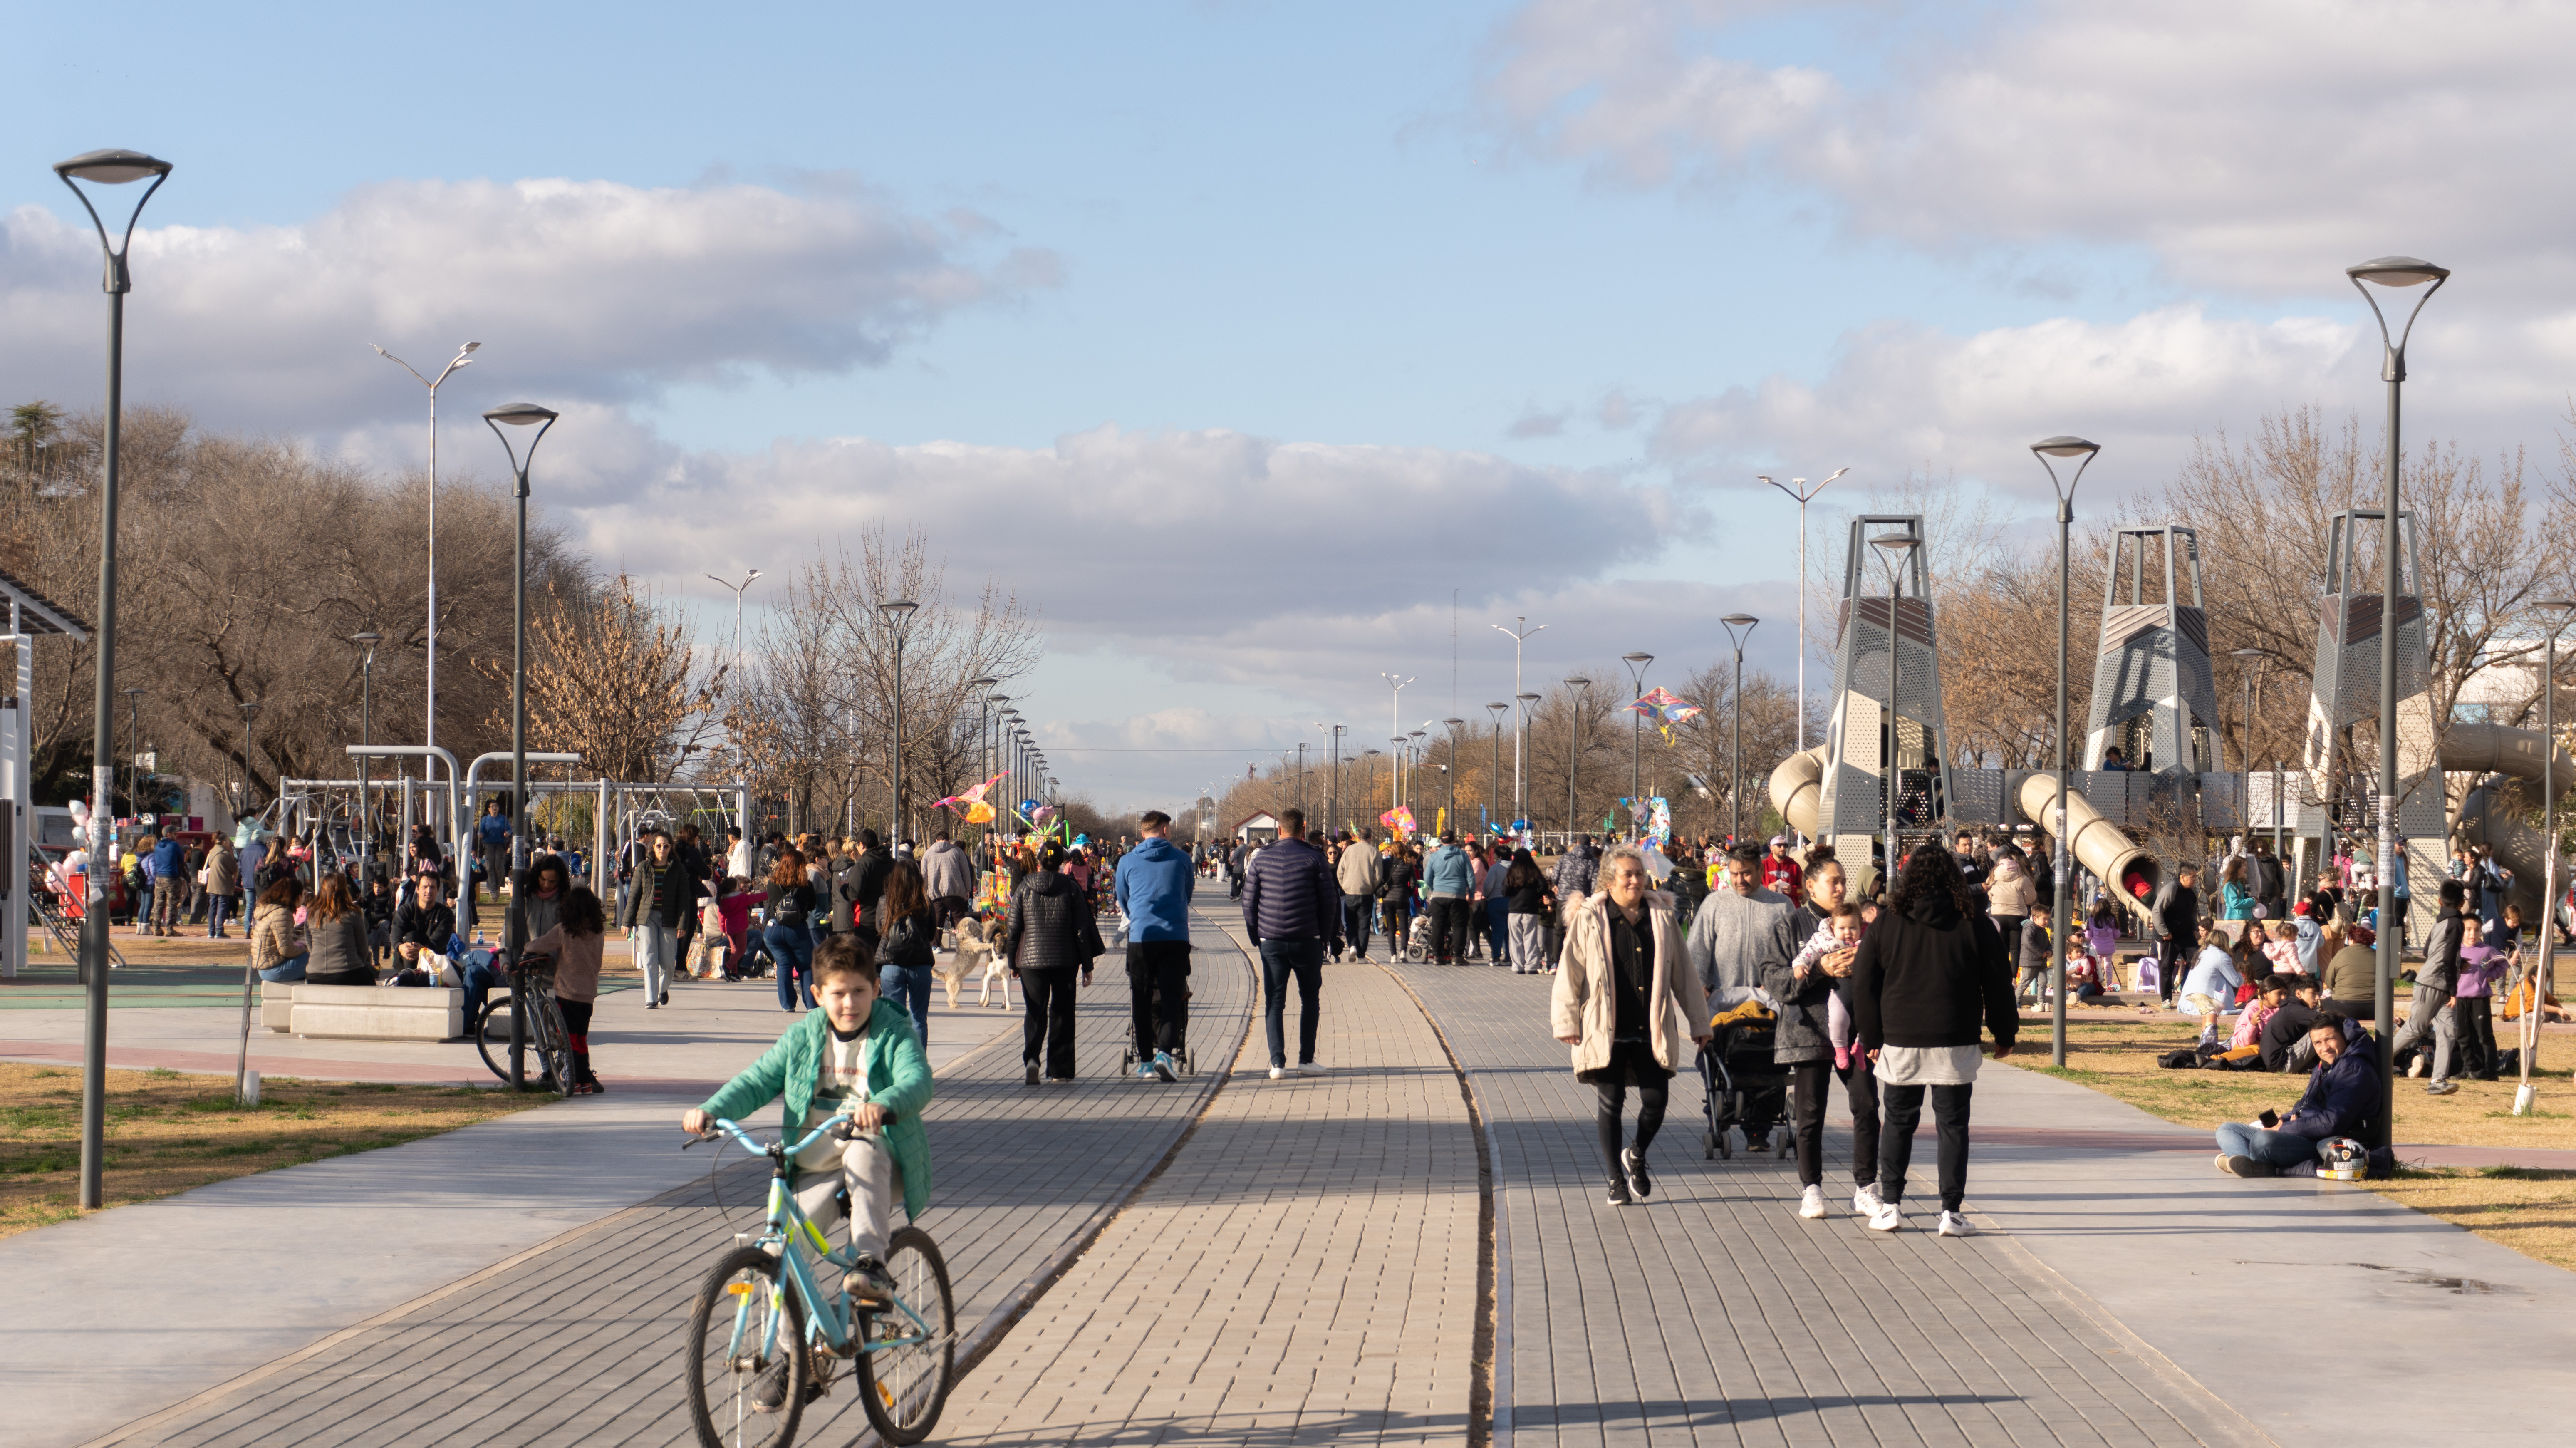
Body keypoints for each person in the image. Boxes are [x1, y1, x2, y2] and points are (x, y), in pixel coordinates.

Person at [684, 932, 934, 1408]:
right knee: (778, 1250)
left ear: (875, 989)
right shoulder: (803, 1037)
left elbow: (918, 1079)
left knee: (863, 1150)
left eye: (859, 991)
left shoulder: (892, 1030)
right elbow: (758, 1079)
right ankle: (802, 1359)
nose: (849, 1003)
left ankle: (872, 1266)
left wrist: (883, 1104)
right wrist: (713, 1110)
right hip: (817, 1165)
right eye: (838, 993)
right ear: (817, 995)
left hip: (879, 1158)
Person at [1849, 839, 2016, 1236]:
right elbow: (1998, 982)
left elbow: (1864, 983)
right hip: (1955, 1036)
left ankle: (1891, 1206)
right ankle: (1951, 1213)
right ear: (1954, 879)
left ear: (1909, 879)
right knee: (1953, 1126)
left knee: (1898, 1122)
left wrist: (1871, 1037)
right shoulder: (1974, 922)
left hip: (1900, 1037)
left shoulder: (1888, 922)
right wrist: (2004, 1032)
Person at [1553, 845, 1712, 1206]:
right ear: (1609, 882)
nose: (1636, 881)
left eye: (1639, 874)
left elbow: (1684, 974)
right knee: (1611, 1101)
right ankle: (1615, 1180)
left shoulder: (1662, 917)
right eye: (1628, 875)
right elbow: (1570, 971)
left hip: (1650, 1026)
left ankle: (1636, 1154)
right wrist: (1566, 1021)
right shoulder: (1590, 917)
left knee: (1656, 1101)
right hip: (1604, 1027)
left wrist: (1700, 1022)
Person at [2214, 1014, 2375, 1177]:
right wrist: (2285, 1118)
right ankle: (2253, 1165)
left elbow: (2332, 1123)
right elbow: (2306, 1104)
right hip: (2305, 1133)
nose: (2325, 1048)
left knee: (2263, 1141)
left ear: (2344, 1037)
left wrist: (2286, 1128)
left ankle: (2250, 1162)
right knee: (2227, 1130)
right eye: (2318, 1043)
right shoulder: (2325, 1066)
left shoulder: (2353, 1069)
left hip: (2326, 1143)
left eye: (2330, 1040)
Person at [1243, 808, 1336, 1080]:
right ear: (1304, 829)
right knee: (1310, 998)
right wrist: (1324, 937)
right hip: (1307, 939)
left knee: (1274, 1001)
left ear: (1279, 829)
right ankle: (1306, 1060)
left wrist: (1257, 937)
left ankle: (1277, 1064)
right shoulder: (1316, 858)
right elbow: (1329, 902)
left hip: (1271, 940)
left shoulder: (1261, 858)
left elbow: (1249, 903)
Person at [1001, 843, 1103, 1084]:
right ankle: (1060, 1069)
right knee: (1063, 1012)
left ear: (1039, 862)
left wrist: (1013, 962)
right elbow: (1081, 929)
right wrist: (1087, 966)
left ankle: (1032, 1060)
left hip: (1031, 960)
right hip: (1065, 960)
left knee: (1035, 1011)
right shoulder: (1071, 888)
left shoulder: (1024, 887)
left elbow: (1013, 929)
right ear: (1061, 864)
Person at [1115, 810, 1195, 1082]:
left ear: (1142, 832)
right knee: (1172, 998)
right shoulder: (1182, 859)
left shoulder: (1127, 861)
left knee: (1141, 998)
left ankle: (1146, 1062)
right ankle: (1164, 1054)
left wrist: (1138, 915)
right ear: (1164, 830)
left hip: (1141, 938)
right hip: (1175, 938)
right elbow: (1187, 894)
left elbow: (1123, 898)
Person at [525, 885, 610, 1092]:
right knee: (581, 1038)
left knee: (568, 1039)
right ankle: (585, 1081)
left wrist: (527, 947)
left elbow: (540, 944)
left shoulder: (564, 930)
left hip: (568, 992)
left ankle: (572, 1080)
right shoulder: (598, 933)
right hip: (588, 994)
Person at [2395, 879, 2467, 1093]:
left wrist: (2458, 963)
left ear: (2440, 901)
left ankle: (2438, 1080)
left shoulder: (2439, 922)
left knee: (2448, 1030)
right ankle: (2373, 1059)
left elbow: (2428, 952)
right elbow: (2448, 957)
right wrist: (2453, 990)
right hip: (2434, 984)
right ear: (2462, 903)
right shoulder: (2456, 923)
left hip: (2437, 983)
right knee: (2416, 1028)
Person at [876, 859, 939, 1048]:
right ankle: (917, 1061)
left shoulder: (885, 901)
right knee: (919, 1018)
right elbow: (931, 934)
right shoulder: (925, 902)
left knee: (894, 1018)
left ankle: (897, 1060)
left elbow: (880, 929)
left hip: (892, 964)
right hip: (921, 965)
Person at [763, 847, 821, 1014]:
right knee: (806, 967)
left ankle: (787, 1005)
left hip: (774, 930)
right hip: (797, 930)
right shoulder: (806, 885)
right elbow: (813, 906)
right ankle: (811, 1005)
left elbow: (772, 903)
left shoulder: (772, 883)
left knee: (784, 965)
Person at [2176, 931, 2243, 1044]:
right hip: (2206, 1002)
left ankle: (2206, 1041)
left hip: (2188, 1000)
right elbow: (2236, 982)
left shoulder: (2201, 953)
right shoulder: (2221, 956)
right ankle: (2209, 1042)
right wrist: (2241, 974)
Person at [1422, 832, 1476, 967]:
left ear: (1441, 841)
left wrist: (1435, 888)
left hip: (1438, 896)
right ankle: (1458, 956)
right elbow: (1470, 877)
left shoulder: (1434, 856)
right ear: (1454, 840)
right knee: (1459, 926)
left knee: (1438, 926)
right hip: (1458, 895)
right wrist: (1471, 894)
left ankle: (1438, 956)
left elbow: (1427, 878)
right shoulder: (1462, 855)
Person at [2149, 865, 2199, 1006]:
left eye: (2196, 877)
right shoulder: (2170, 890)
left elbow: (2193, 911)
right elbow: (2156, 912)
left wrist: (2195, 928)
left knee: (2196, 961)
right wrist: (2164, 932)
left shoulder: (2193, 891)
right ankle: (2166, 999)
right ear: (2182, 878)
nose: (2195, 880)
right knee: (2167, 967)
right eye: (2193, 877)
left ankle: (2187, 993)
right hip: (2169, 935)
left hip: (2186, 934)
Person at [1503, 848, 1557, 975]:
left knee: (1515, 939)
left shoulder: (1511, 873)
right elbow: (1543, 887)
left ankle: (1517, 966)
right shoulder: (1534, 872)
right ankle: (1531, 966)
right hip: (1531, 910)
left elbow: (1505, 891)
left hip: (1514, 910)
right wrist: (1535, 894)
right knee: (1531, 938)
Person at [248, 877, 310, 983]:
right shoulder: (282, 914)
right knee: (317, 959)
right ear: (297, 896)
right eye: (303, 894)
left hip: (267, 967)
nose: (304, 898)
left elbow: (284, 939)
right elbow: (286, 950)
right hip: (274, 970)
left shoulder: (274, 912)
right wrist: (306, 950)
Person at [1335, 829, 1381, 963]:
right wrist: (1372, 887)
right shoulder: (1374, 852)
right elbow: (1378, 875)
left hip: (1350, 892)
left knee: (1350, 922)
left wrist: (1345, 886)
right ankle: (1361, 955)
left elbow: (1340, 871)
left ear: (1358, 837)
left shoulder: (1349, 850)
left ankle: (1353, 945)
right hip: (1366, 893)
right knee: (1364, 924)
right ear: (1370, 836)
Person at [921, 831, 976, 932]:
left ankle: (937, 942)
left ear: (936, 840)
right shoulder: (958, 852)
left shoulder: (928, 854)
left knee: (937, 923)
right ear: (949, 840)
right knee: (960, 922)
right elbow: (966, 872)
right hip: (955, 892)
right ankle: (962, 940)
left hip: (935, 893)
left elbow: (924, 875)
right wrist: (968, 889)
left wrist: (925, 892)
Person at [204, 836, 242, 940]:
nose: (230, 843)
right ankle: (219, 931)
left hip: (212, 884)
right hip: (223, 884)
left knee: (212, 907)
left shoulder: (212, 852)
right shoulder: (225, 854)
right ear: (224, 842)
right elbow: (234, 868)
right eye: (229, 841)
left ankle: (211, 932)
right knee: (222, 907)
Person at [476, 798, 512, 902]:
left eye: (496, 806)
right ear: (489, 809)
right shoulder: (485, 820)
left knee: (499, 866)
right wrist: (480, 834)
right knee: (490, 867)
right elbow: (481, 830)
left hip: (500, 844)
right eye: (493, 806)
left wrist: (508, 833)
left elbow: (509, 829)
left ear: (498, 808)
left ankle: (497, 887)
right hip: (488, 844)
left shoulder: (503, 819)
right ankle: (492, 889)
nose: (494, 808)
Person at [1760, 835, 1803, 900]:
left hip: (1790, 905)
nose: (1783, 848)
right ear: (1772, 848)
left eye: (1785, 846)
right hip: (1769, 904)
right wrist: (1767, 887)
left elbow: (1802, 890)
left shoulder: (1794, 866)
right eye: (1779, 845)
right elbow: (1754, 888)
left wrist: (1792, 890)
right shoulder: (1762, 865)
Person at [2219, 855, 2255, 922]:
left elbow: (2246, 897)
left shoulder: (2240, 883)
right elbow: (2235, 903)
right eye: (2243, 867)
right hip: (2234, 918)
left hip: (2245, 917)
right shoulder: (2229, 885)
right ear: (2238, 870)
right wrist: (2252, 901)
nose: (2245, 869)